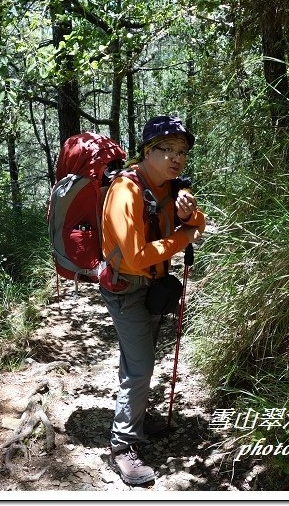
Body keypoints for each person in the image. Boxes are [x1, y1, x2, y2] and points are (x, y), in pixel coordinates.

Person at [99, 115, 206, 485]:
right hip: (127, 289)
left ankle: (137, 419)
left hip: (153, 286)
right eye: (167, 149)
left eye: (182, 151)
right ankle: (121, 446)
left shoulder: (171, 188)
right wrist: (185, 234)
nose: (177, 157)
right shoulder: (124, 192)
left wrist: (189, 217)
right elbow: (135, 257)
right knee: (140, 369)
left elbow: (198, 223)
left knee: (140, 361)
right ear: (147, 151)